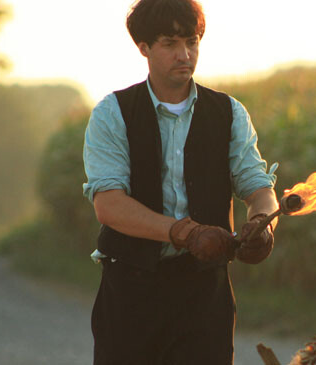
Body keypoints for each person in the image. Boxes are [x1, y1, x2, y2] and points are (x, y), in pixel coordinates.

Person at [82, 0, 279, 363]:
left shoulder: (229, 113)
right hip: (131, 291)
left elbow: (258, 186)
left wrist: (262, 224)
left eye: (192, 41)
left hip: (204, 295)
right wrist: (186, 233)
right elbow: (108, 205)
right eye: (170, 44)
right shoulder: (113, 114)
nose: (184, 54)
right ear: (143, 48)